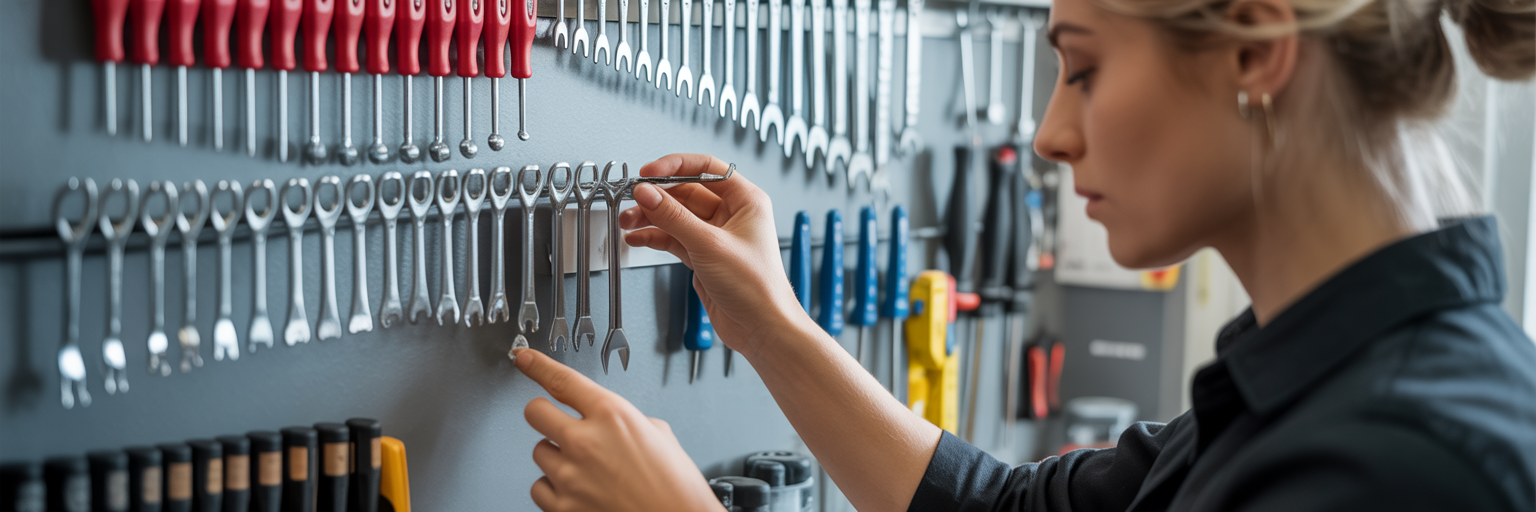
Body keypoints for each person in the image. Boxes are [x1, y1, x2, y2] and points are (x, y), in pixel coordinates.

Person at [508, 0, 1536, 504]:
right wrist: (767, 320)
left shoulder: (1401, 463)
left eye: (1081, 69)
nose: (1048, 134)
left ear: (1256, 50)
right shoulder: (1313, 383)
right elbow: (992, 509)